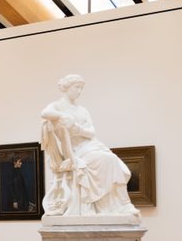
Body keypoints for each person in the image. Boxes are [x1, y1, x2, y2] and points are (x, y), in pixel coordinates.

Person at [40, 74, 138, 217]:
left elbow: (91, 132)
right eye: (76, 87)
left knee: (113, 160)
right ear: (67, 87)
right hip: (75, 150)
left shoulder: (83, 110)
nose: (79, 91)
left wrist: (77, 128)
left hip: (90, 145)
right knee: (108, 160)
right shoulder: (58, 106)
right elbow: (45, 113)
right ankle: (123, 204)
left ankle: (120, 204)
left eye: (81, 88)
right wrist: (61, 116)